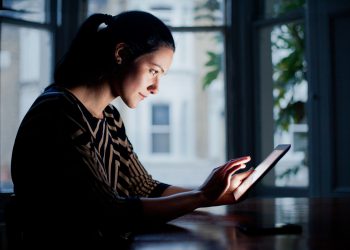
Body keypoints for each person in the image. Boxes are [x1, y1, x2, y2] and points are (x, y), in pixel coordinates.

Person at [10, 10, 253, 247]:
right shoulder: (58, 113)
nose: (156, 87)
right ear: (121, 53)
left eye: (161, 75)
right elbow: (108, 212)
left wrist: (211, 194)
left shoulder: (109, 117)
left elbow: (144, 188)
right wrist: (200, 197)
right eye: (153, 71)